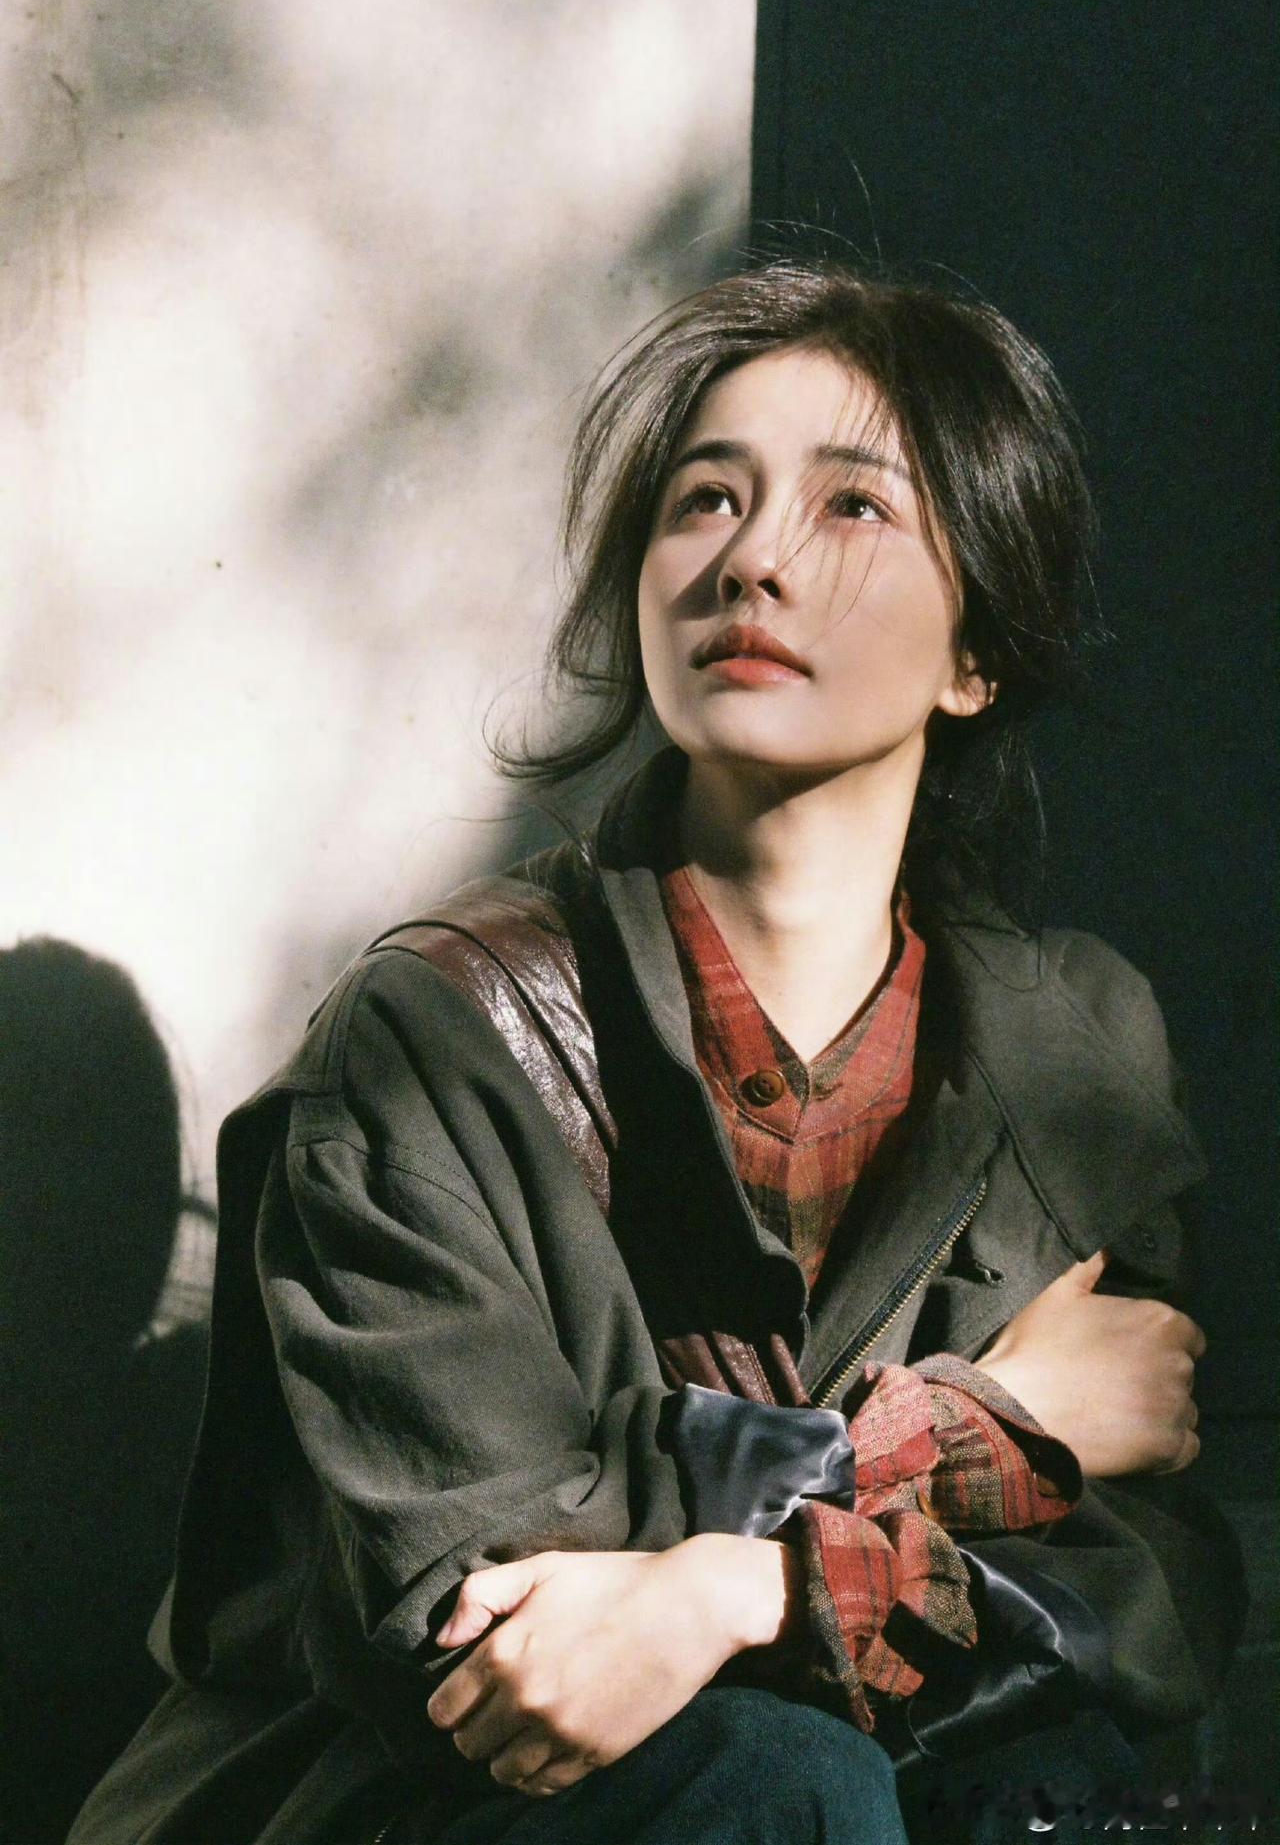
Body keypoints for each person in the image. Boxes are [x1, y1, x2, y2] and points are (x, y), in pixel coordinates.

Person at [68, 264, 1244, 1845]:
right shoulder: (436, 1031)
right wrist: (982, 1430)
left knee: (1059, 1788)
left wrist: (732, 1585)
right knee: (777, 1774)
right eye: (706, 500)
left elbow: (1152, 1585)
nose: (751, 557)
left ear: (976, 652)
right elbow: (492, 1610)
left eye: (852, 507)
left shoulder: (1074, 1048)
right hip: (404, 1804)